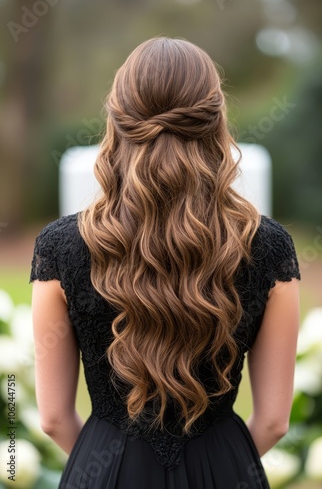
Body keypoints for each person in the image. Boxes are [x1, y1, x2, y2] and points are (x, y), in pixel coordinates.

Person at [30, 37, 301, 488]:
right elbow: (273, 421)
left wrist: (104, 465)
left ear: (117, 118)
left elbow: (54, 419)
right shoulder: (269, 246)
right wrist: (219, 465)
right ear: (215, 120)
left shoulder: (59, 247)